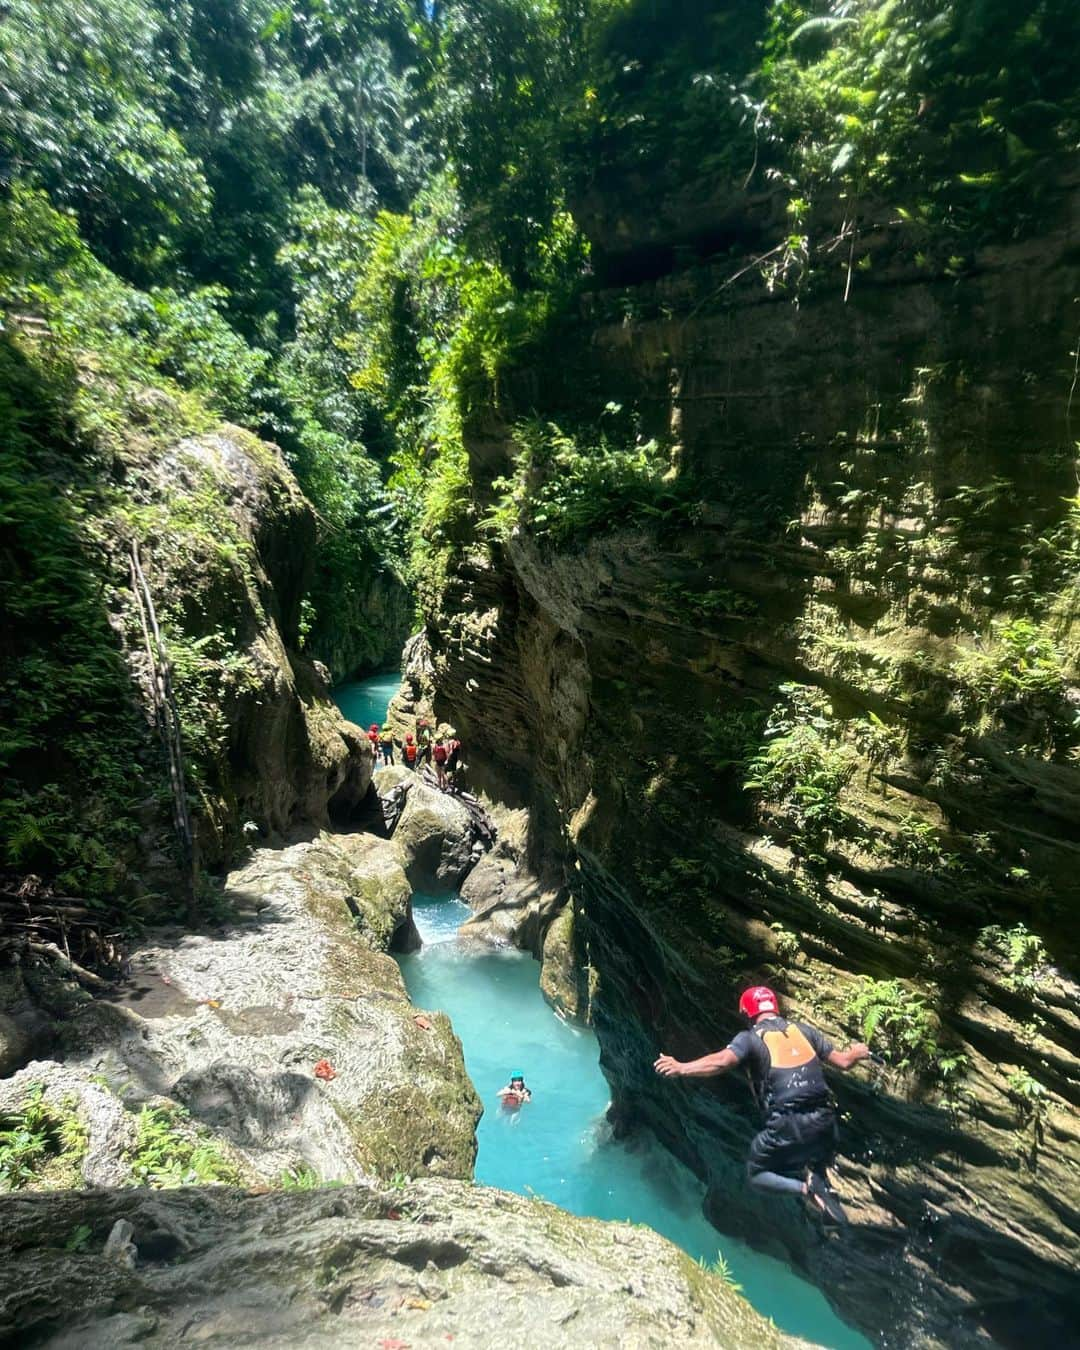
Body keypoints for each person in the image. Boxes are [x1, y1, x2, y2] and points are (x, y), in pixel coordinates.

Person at [654, 986, 870, 1223]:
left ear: (747, 1014)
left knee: (757, 1173)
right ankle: (819, 1178)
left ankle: (807, 1190)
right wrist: (857, 1052)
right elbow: (844, 1062)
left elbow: (721, 1061)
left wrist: (682, 1067)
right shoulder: (804, 1030)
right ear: (775, 1007)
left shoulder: (750, 1038)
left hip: (789, 1123)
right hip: (826, 1122)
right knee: (817, 1154)